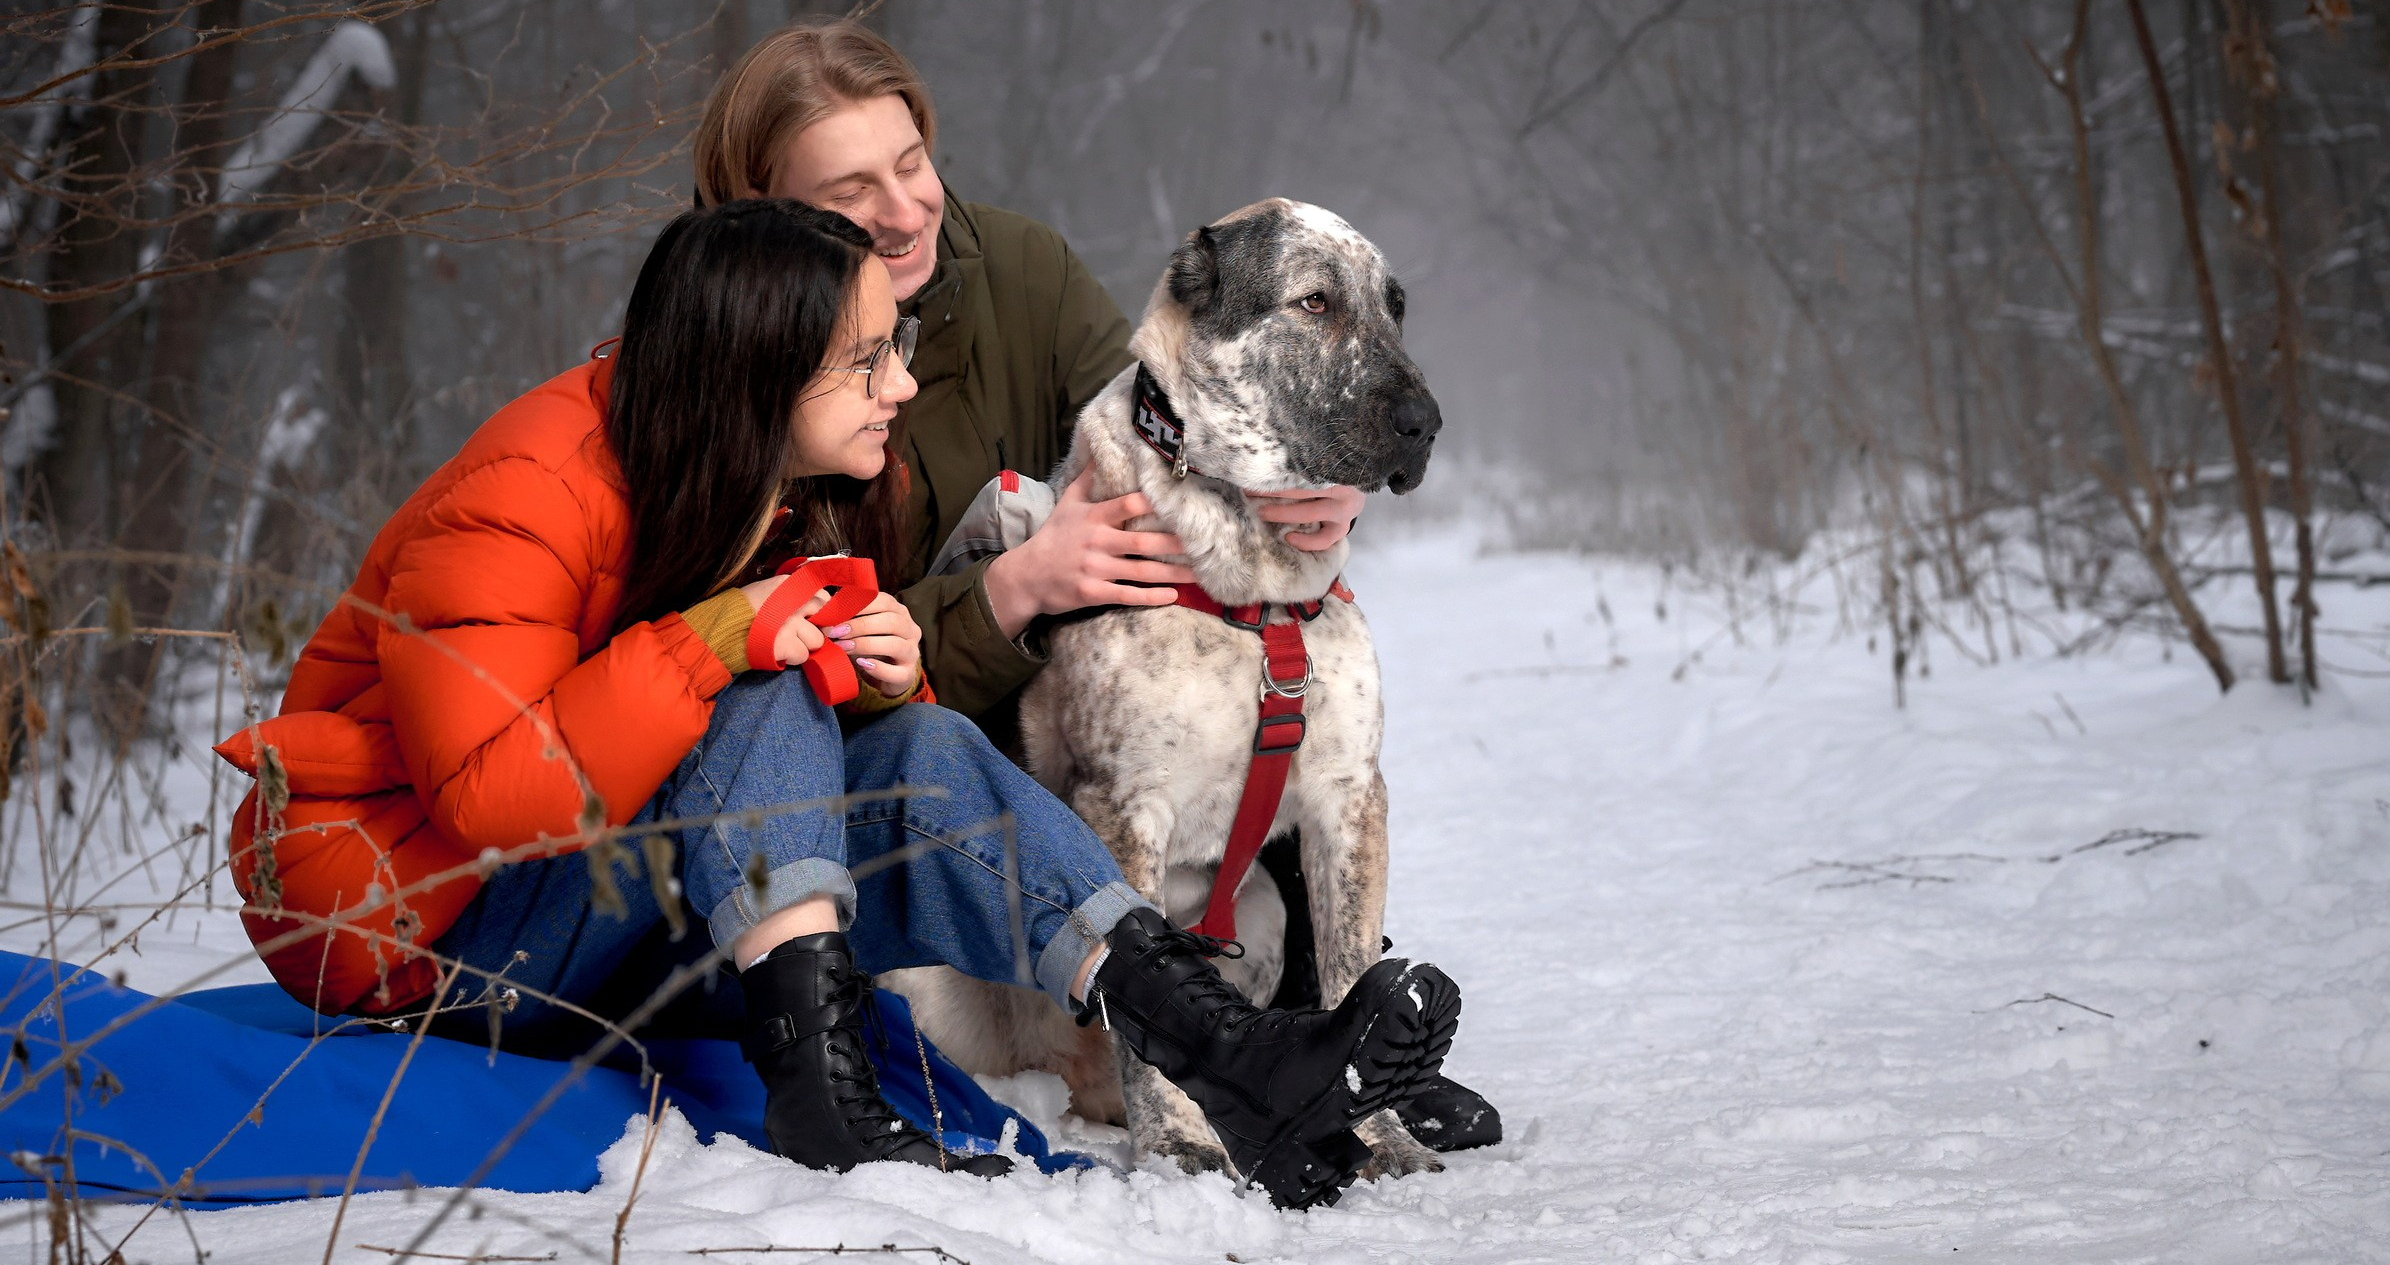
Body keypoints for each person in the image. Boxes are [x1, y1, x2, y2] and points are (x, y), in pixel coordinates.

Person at [217, 198, 1459, 1209]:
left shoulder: (771, 477)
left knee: (912, 738)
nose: (902, 387)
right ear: (760, 373)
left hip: (617, 900)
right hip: (426, 932)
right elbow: (491, 798)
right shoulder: (516, 495)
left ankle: (1223, 1054)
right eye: (868, 359)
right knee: (752, 687)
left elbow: (784, 767)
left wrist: (883, 671)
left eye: (897, 349)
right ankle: (825, 1093)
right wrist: (723, 636)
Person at [689, 20, 1500, 1152]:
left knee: (1262, 681)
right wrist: (1011, 591)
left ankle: (1330, 1039)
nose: (907, 207)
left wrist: (1319, 478)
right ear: (763, 207)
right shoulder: (727, 352)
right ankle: (1199, 1056)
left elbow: (1167, 417)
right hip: (933, 759)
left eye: (912, 162)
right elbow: (780, 665)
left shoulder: (1011, 266)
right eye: (851, 187)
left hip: (1052, 718)